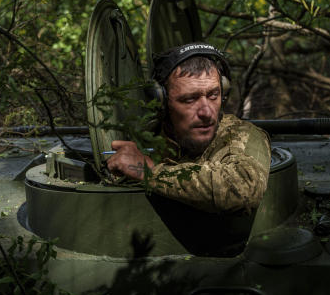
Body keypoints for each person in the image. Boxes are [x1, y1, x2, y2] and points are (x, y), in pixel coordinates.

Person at [106, 43, 270, 214]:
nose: (207, 112)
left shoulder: (240, 134)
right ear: (162, 102)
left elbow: (244, 189)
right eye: (190, 99)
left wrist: (149, 171)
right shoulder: (147, 137)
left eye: (214, 95)